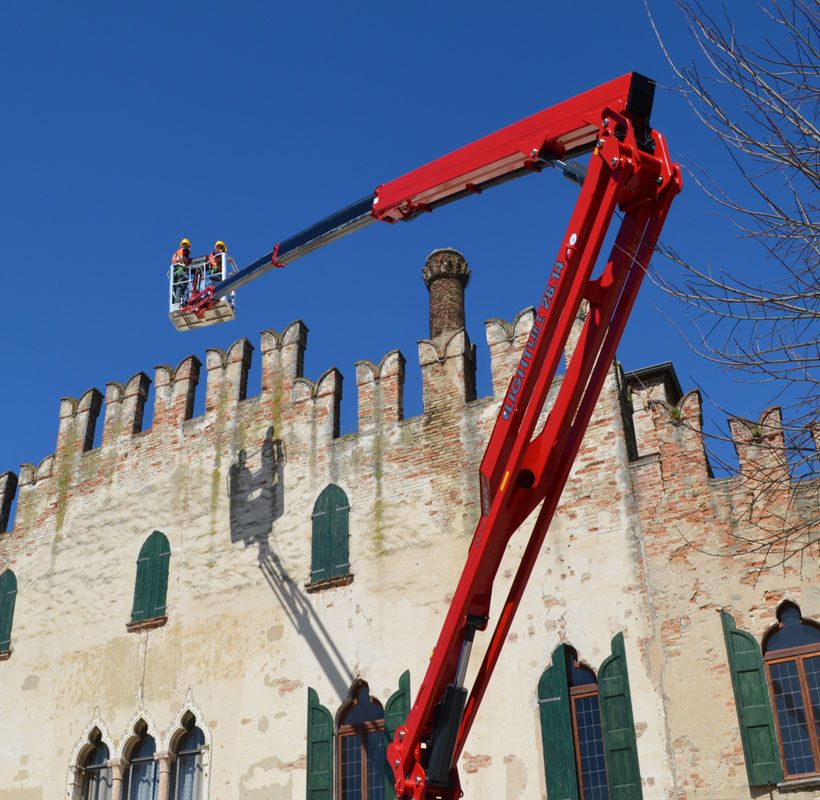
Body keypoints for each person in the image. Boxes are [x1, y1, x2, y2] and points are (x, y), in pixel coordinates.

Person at [171, 238, 192, 304]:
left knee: (174, 288)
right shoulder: (186, 250)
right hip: (181, 271)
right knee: (181, 287)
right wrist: (190, 261)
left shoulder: (176, 253)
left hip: (174, 273)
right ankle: (178, 304)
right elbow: (185, 259)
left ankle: (174, 303)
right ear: (188, 246)